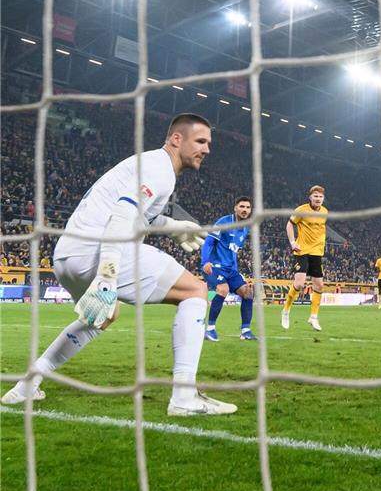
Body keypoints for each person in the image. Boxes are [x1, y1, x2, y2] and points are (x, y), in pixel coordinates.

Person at [1, 114, 236, 416]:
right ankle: (184, 397)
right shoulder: (160, 170)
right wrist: (107, 274)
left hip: (66, 255)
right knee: (194, 290)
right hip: (97, 252)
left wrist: (171, 225)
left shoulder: (146, 165)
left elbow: (136, 214)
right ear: (177, 139)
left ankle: (26, 386)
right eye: (201, 141)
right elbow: (123, 215)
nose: (207, 149)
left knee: (101, 316)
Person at [201, 196, 255, 342]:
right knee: (223, 289)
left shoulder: (245, 229)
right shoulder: (224, 222)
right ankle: (210, 330)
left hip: (231, 269)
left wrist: (237, 272)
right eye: (242, 206)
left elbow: (232, 252)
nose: (245, 210)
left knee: (248, 293)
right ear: (235, 208)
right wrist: (205, 262)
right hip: (214, 267)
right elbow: (208, 242)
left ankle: (245, 331)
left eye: (248, 207)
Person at [281, 185, 328, 331]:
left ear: (323, 198)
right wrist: (293, 242)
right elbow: (289, 225)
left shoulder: (325, 212)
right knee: (300, 284)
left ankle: (313, 317)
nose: (318, 199)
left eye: (320, 196)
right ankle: (286, 311)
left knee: (319, 286)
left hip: (317, 252)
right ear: (310, 197)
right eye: (315, 196)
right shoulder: (301, 210)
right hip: (302, 251)